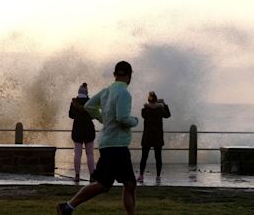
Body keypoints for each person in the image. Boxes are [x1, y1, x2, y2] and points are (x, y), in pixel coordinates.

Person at [57, 61, 139, 215]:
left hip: (107, 144)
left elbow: (88, 106)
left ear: (115, 75)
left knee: (115, 184)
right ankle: (67, 207)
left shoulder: (106, 91)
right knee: (118, 184)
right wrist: (135, 120)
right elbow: (122, 118)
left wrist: (103, 118)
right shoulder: (124, 93)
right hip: (118, 145)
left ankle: (67, 207)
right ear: (129, 76)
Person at [137, 91, 171, 184]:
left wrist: (148, 106)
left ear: (148, 100)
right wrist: (164, 104)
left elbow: (144, 115)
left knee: (144, 157)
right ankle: (158, 176)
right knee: (158, 157)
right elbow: (168, 115)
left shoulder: (144, 110)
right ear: (157, 100)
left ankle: (141, 175)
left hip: (147, 136)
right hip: (157, 136)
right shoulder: (160, 110)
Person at [68, 82, 96, 182]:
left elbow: (70, 115)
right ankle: (92, 175)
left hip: (77, 130)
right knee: (90, 154)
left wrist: (77, 116)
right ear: (86, 92)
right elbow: (93, 115)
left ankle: (77, 175)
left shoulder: (74, 102)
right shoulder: (90, 102)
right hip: (89, 130)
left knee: (77, 154)